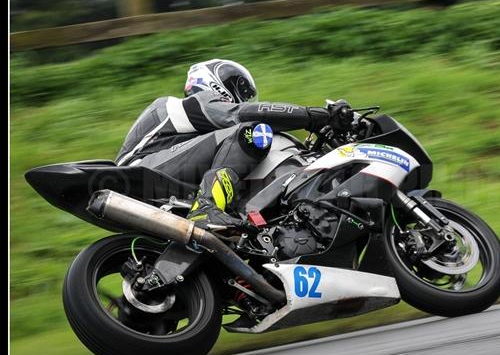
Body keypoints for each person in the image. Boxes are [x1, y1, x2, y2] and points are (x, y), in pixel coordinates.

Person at [115, 58, 354, 229]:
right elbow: (242, 114)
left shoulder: (197, 134)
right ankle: (206, 208)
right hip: (140, 170)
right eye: (239, 89)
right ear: (215, 82)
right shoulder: (186, 104)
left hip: (158, 177)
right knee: (253, 132)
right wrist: (312, 116)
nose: (243, 98)